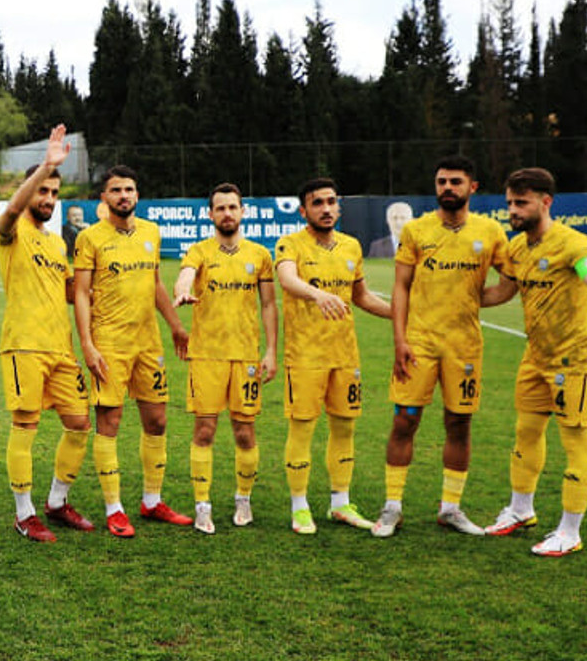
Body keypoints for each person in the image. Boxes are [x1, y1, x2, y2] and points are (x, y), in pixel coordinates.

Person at [480, 167, 587, 556]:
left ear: (545, 202)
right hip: (536, 356)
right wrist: (451, 300)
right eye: (510, 202)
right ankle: (519, 510)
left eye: (521, 203)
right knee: (525, 433)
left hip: (574, 359)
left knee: (576, 440)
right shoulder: (516, 248)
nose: (512, 210)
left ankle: (570, 530)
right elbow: (502, 293)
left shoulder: (572, 244)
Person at [370, 156, 507, 538]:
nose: (448, 188)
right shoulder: (416, 230)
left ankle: (450, 508)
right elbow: (400, 287)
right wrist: (400, 339)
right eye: (442, 181)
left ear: (472, 187)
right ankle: (392, 507)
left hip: (464, 347)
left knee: (459, 423)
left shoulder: (492, 231)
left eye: (456, 182)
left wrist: (472, 301)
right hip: (419, 344)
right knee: (404, 421)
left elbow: (509, 282)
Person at [74, 165, 192, 538]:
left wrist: (174, 324)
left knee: (157, 421)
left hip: (148, 342)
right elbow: (79, 293)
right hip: (109, 343)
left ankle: (152, 501)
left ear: (137, 195)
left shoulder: (151, 233)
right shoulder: (90, 238)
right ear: (104, 198)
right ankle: (114, 508)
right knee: (109, 423)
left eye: (129, 189)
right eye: (116, 190)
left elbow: (156, 282)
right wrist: (88, 345)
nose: (124, 195)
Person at [274, 178, 391, 534]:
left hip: (345, 355)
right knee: (303, 429)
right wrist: (317, 295)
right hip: (305, 355)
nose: (325, 209)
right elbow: (287, 280)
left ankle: (341, 503)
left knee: (344, 427)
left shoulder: (352, 246)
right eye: (317, 203)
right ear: (303, 210)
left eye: (330, 202)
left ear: (338, 206)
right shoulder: (289, 244)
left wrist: (402, 313)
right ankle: (300, 507)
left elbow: (363, 297)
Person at [0, 126, 95, 543]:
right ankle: (24, 514)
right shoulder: (11, 232)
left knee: (78, 423)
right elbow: (11, 210)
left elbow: (75, 294)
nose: (48, 200)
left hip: (61, 349)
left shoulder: (58, 245)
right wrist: (45, 168)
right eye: (43, 192)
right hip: (23, 346)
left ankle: (57, 501)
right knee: (26, 426)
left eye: (54, 193)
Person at [172, 183, 277, 534]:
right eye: (220, 208)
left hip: (245, 357)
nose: (227, 214)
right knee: (204, 430)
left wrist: (271, 350)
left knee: (245, 434)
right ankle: (203, 506)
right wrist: (183, 290)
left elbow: (268, 305)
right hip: (207, 357)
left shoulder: (260, 255)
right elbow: (185, 274)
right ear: (211, 214)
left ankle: (243, 499)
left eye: (233, 207)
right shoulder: (199, 250)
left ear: (242, 211)